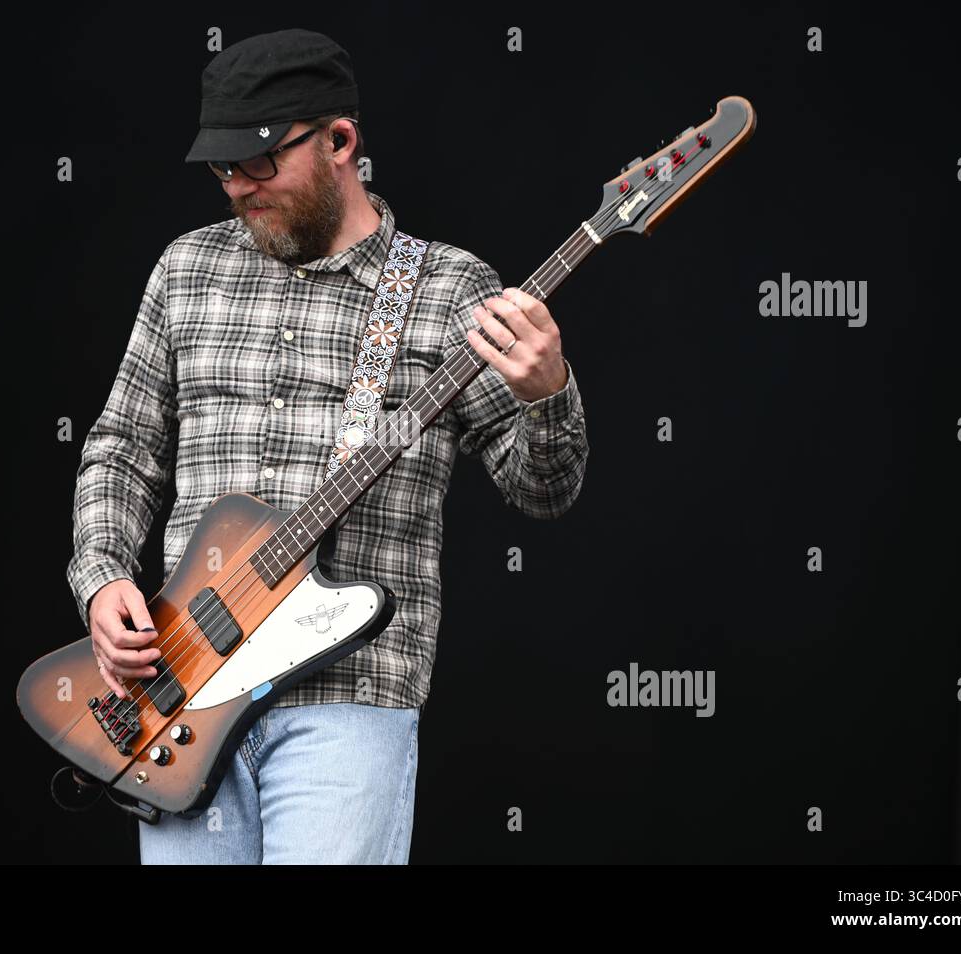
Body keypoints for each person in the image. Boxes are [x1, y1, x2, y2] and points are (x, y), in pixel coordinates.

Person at [66, 28, 589, 864]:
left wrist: (547, 391)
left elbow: (543, 490)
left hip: (353, 694)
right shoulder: (186, 270)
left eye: (260, 164)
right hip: (181, 689)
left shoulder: (451, 289)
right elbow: (122, 446)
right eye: (222, 168)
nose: (238, 187)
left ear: (341, 141)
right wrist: (101, 582)